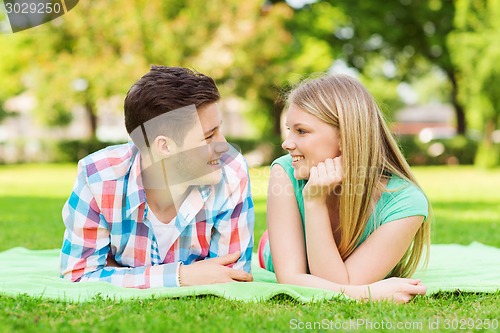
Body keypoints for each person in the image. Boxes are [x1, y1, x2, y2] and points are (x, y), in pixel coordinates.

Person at [60, 66, 254, 288]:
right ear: (164, 146)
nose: (224, 145)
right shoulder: (99, 178)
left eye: (219, 130)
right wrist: (182, 276)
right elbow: (78, 275)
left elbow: (232, 275)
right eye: (209, 136)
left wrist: (118, 272)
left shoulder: (231, 171)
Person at [258, 74, 431, 303]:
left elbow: (338, 283)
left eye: (301, 131)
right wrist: (369, 294)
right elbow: (291, 277)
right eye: (289, 129)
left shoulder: (406, 202)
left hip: (329, 266)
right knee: (273, 246)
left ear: (344, 136)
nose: (287, 143)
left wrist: (315, 202)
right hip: (273, 250)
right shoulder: (285, 171)